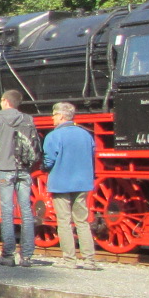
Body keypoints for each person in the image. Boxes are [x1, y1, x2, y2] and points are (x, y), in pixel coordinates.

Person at [0, 90, 40, 267]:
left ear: (5, 101)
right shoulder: (28, 118)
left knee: (7, 211)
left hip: (5, 167)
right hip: (24, 169)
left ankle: (8, 255)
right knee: (26, 210)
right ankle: (27, 256)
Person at [42, 102, 99, 270]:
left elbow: (49, 160)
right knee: (82, 221)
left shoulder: (54, 136)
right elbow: (91, 154)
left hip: (61, 183)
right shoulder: (86, 135)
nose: (52, 118)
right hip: (82, 183)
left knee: (64, 222)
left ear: (61, 116)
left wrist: (44, 167)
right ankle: (89, 260)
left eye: (54, 114)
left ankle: (70, 260)